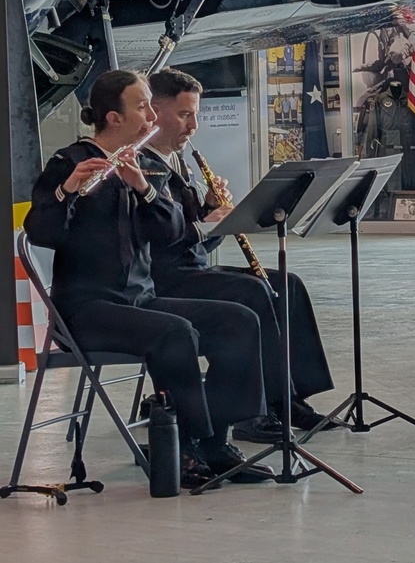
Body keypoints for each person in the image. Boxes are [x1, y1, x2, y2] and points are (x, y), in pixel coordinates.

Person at [24, 70, 273, 489]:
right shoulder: (67, 162)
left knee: (239, 320)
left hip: (139, 298)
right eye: (142, 106)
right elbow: (41, 231)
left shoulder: (139, 166)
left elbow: (173, 233)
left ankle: (218, 438)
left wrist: (142, 188)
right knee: (175, 334)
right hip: (86, 309)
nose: (151, 115)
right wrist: (67, 190)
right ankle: (187, 445)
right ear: (113, 117)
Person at [144, 68, 337, 440]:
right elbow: (159, 239)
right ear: (155, 110)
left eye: (196, 114)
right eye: (185, 115)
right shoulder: (145, 167)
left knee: (287, 285)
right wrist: (206, 223)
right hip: (164, 278)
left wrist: (212, 217)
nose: (194, 125)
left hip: (192, 270)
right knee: (253, 292)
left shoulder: (179, 162)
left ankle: (287, 397)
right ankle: (250, 414)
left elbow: (197, 240)